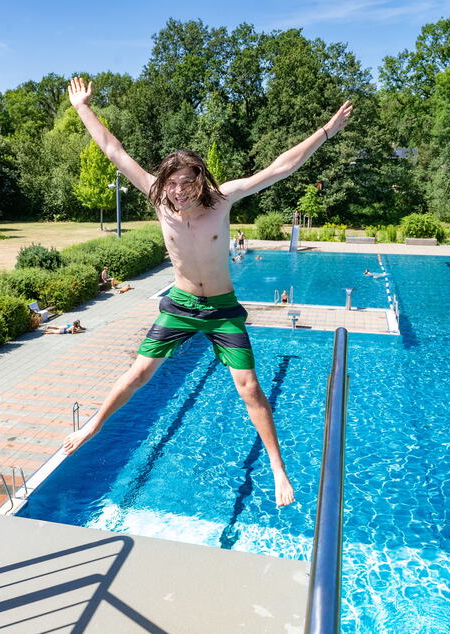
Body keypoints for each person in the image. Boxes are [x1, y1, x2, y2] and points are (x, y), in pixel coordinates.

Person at [61, 76, 353, 507]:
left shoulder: (222, 199)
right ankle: (93, 426)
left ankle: (276, 466)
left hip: (220, 309)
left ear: (199, 179)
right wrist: (83, 107)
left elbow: (280, 167)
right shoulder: (160, 201)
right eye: (172, 184)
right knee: (139, 373)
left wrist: (327, 131)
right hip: (179, 305)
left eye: (185, 183)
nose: (178, 192)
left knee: (249, 387)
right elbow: (114, 150)